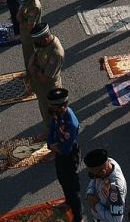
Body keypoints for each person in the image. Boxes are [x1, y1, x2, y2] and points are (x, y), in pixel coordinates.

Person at [47, 88, 83, 222]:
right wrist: (51, 143)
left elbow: (67, 147)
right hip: (59, 151)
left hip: (68, 156)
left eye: (53, 107)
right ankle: (68, 202)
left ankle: (78, 217)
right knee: (61, 178)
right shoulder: (58, 113)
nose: (51, 109)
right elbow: (51, 128)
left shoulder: (71, 123)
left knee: (72, 188)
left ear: (63, 106)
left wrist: (56, 148)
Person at [27, 23, 65, 123]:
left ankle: (51, 131)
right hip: (41, 85)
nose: (36, 44)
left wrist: (33, 68)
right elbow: (36, 54)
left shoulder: (56, 53)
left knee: (49, 112)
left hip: (49, 88)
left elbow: (45, 78)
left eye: (38, 41)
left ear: (45, 39)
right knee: (43, 108)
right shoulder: (46, 43)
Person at [84, 149, 127, 222]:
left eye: (93, 174)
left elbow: (116, 219)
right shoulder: (109, 162)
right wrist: (89, 193)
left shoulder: (115, 190)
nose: (93, 177)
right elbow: (94, 179)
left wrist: (95, 204)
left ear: (103, 172)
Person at [16, 0, 43, 67]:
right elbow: (21, 11)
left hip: (30, 37)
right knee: (27, 58)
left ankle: (32, 77)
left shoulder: (34, 6)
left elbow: (30, 25)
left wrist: (20, 20)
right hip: (25, 35)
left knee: (31, 60)